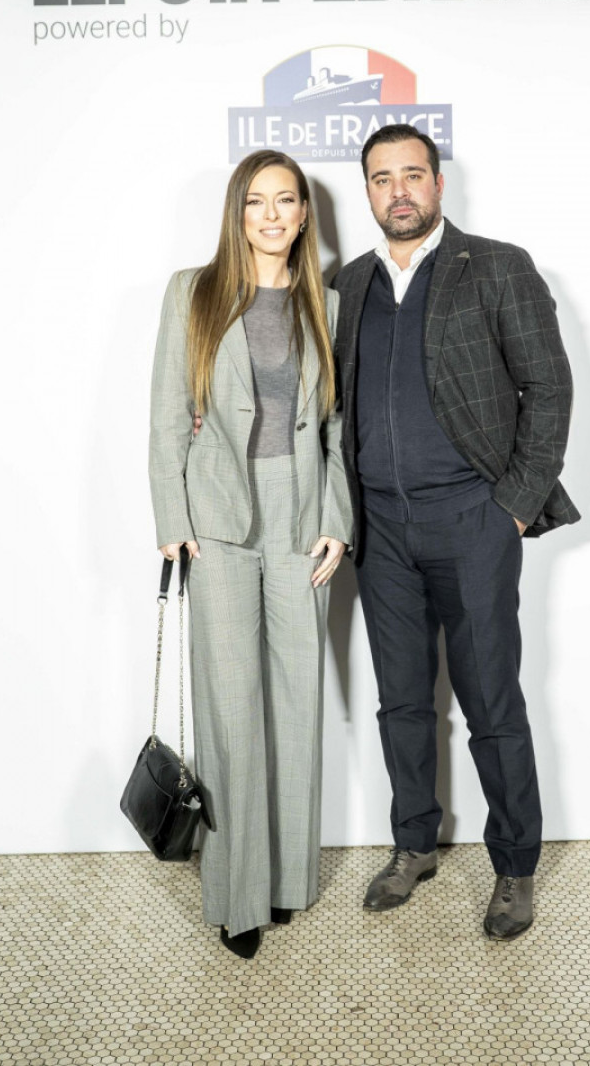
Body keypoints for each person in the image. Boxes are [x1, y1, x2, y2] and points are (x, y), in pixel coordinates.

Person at [331, 124, 578, 941]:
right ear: (368, 191)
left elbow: (548, 389)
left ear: (438, 184)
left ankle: (514, 866)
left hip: (473, 520)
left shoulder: (496, 266)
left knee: (491, 703)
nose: (398, 191)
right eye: (381, 178)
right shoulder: (348, 283)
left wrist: (513, 505)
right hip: (381, 530)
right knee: (401, 701)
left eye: (412, 175)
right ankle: (414, 846)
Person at [149, 150, 352, 959]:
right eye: (256, 201)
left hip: (302, 516)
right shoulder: (191, 292)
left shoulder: (328, 305)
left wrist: (338, 518)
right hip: (219, 518)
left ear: (304, 215)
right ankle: (238, 897)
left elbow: (339, 427)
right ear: (237, 213)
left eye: (286, 200)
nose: (271, 215)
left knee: (296, 705)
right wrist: (173, 515)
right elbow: (168, 412)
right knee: (232, 712)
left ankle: (286, 882)